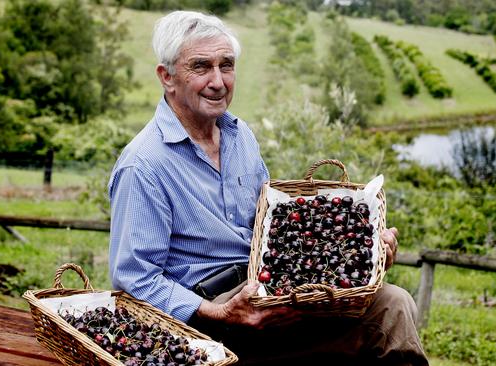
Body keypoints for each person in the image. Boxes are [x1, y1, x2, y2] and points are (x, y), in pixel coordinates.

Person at [108, 10, 429, 365]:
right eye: (201, 67)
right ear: (167, 77)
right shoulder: (144, 164)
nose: (218, 81)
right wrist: (222, 313)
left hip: (265, 291)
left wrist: (364, 255)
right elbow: (134, 280)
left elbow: (273, 229)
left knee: (394, 305)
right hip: (206, 318)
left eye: (226, 65)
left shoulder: (239, 136)